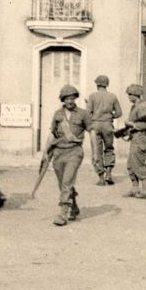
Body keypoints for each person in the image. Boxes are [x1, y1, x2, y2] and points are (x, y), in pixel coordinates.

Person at [45, 85, 92, 226]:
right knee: (63, 184)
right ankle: (74, 207)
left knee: (66, 182)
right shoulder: (57, 114)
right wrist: (45, 153)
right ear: (63, 100)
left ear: (75, 98)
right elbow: (52, 133)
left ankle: (63, 213)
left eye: (72, 98)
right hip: (59, 152)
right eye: (67, 99)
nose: (70, 101)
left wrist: (95, 153)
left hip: (74, 151)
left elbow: (93, 132)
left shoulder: (83, 114)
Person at [87, 75, 123, 186]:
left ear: (97, 84)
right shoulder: (112, 96)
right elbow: (119, 113)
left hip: (95, 126)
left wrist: (94, 114)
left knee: (97, 152)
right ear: (107, 84)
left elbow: (88, 114)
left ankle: (101, 177)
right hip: (108, 125)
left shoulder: (92, 96)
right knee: (109, 149)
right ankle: (109, 174)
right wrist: (110, 115)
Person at [123, 84, 146, 199]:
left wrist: (132, 124)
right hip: (134, 138)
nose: (128, 97)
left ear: (136, 94)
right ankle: (134, 189)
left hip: (141, 138)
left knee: (138, 163)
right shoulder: (134, 107)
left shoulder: (142, 106)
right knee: (130, 164)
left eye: (130, 94)